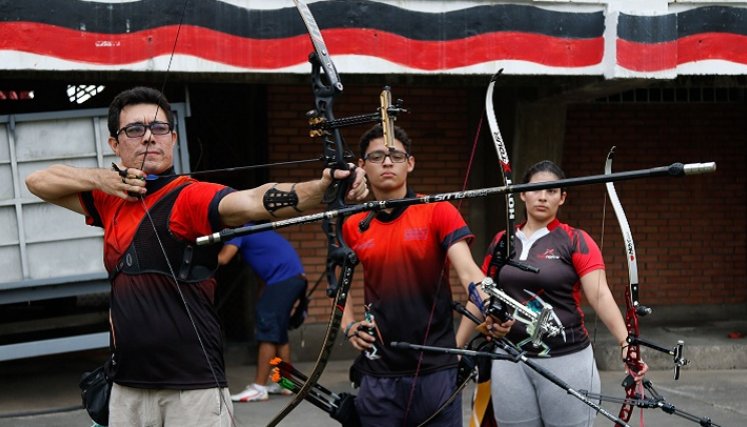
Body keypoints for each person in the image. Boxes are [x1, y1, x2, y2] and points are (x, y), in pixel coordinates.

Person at [24, 86, 368, 426]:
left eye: (159, 128)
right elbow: (37, 181)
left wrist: (323, 189)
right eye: (135, 129)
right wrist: (102, 179)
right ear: (115, 144)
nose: (149, 138)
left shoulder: (189, 198)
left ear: (173, 138)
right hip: (126, 385)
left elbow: (253, 201)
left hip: (191, 388)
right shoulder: (108, 199)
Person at [340, 124, 512, 427]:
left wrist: (494, 308)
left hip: (436, 370)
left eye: (396, 155)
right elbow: (338, 288)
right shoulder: (353, 225)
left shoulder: (437, 211)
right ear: (362, 166)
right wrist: (349, 325)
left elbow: (469, 271)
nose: (388, 162)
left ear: (411, 162)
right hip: (379, 373)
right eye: (377, 156)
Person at [482, 160, 648, 427]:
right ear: (522, 193)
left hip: (566, 357)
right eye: (536, 189)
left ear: (562, 197)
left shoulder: (575, 239)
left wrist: (626, 343)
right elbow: (482, 292)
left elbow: (599, 295)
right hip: (509, 358)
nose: (543, 196)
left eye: (552, 190)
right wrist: (457, 346)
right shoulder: (503, 240)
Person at [217, 227, 306, 402]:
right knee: (279, 333)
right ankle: (286, 383)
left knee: (268, 332)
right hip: (293, 278)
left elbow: (223, 258)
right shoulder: (254, 229)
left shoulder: (238, 230)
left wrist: (196, 255)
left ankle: (259, 387)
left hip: (283, 279)